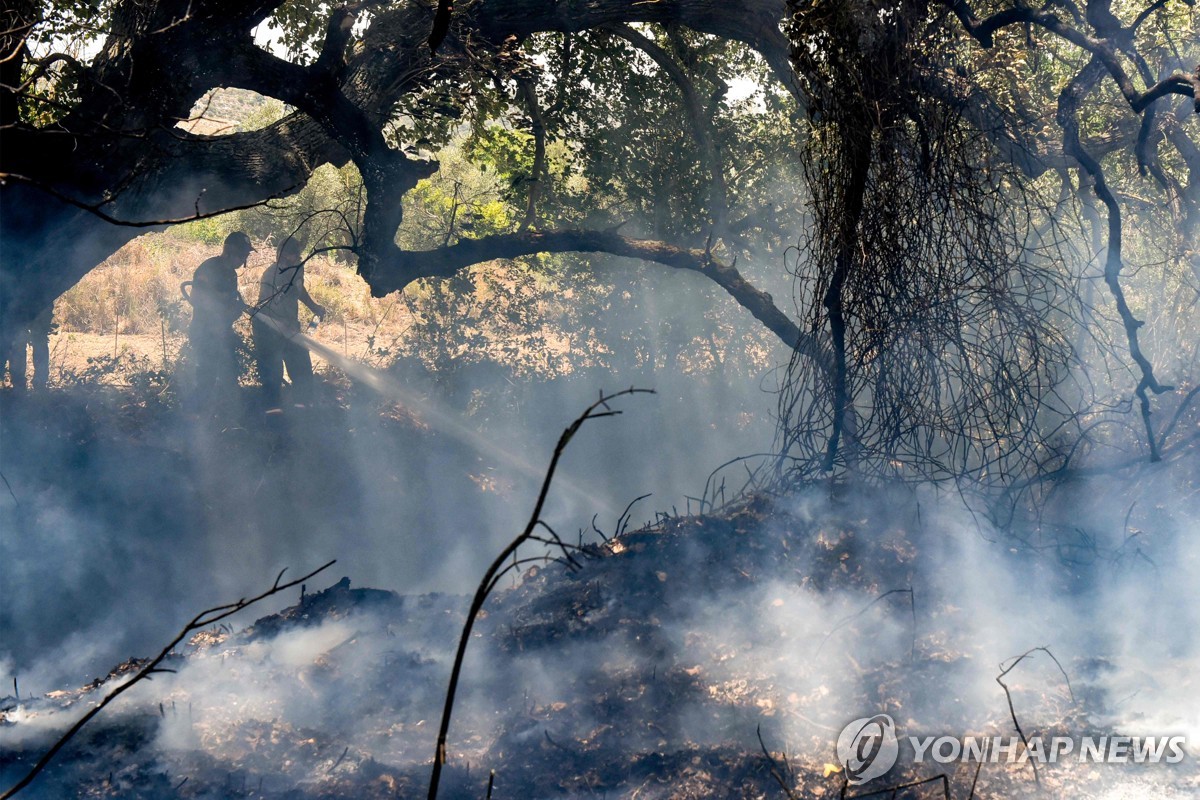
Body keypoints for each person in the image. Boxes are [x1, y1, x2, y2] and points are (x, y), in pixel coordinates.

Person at [181, 231, 252, 409]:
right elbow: (197, 299)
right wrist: (220, 314)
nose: (244, 258)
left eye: (246, 255)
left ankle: (226, 418)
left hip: (221, 333)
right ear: (228, 251)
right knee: (206, 378)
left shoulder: (232, 274)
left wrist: (234, 312)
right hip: (204, 332)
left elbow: (230, 304)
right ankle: (193, 418)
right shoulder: (209, 268)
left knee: (230, 374)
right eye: (241, 254)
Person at [252, 237, 325, 409]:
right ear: (280, 256)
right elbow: (267, 306)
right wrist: (283, 324)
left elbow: (299, 290)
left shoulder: (297, 270)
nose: (295, 261)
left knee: (302, 372)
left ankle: (303, 412)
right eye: (290, 257)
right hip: (268, 332)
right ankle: (272, 418)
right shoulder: (272, 275)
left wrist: (315, 307)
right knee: (272, 377)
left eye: (297, 257)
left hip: (290, 329)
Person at [2, 305, 53, 391]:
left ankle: (28, 385)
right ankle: (30, 385)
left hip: (28, 304)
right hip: (33, 304)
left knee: (21, 341)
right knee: (24, 341)